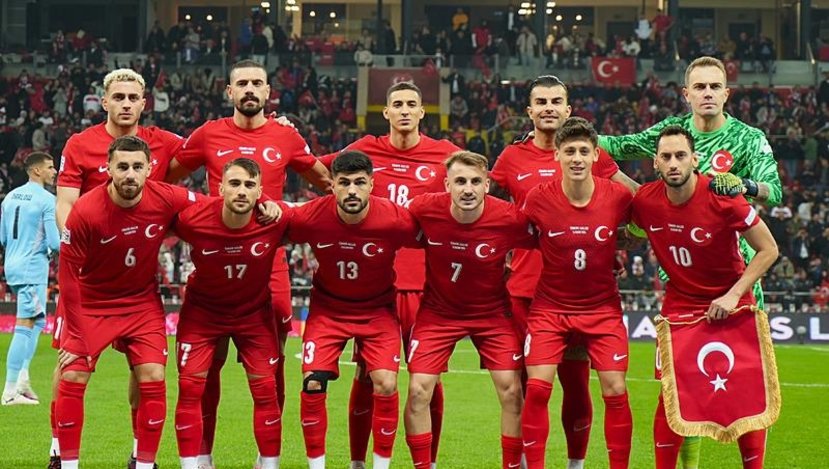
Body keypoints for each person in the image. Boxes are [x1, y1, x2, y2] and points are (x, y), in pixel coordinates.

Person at [598, 56, 783, 467]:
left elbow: (775, 191)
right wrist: (564, 130)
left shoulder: (748, 138)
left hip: (739, 276)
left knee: (746, 385)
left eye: (715, 87)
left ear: (726, 93)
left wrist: (745, 184)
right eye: (699, 87)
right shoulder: (669, 134)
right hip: (681, 282)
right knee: (682, 389)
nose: (707, 94)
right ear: (686, 94)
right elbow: (617, 146)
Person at [167, 59, 331, 469]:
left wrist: (285, 206)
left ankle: (266, 456)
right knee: (208, 365)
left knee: (272, 361)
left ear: (269, 91)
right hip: (216, 256)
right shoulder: (209, 133)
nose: (250, 89)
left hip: (268, 261)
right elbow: (165, 178)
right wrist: (202, 212)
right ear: (230, 91)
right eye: (242, 83)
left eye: (258, 83)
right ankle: (202, 455)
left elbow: (328, 183)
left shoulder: (286, 135)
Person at [491, 75, 638, 469]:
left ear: (568, 109)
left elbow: (636, 199)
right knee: (525, 385)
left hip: (585, 293)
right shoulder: (510, 158)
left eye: (556, 101)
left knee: (576, 384)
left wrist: (614, 242)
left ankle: (576, 463)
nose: (549, 108)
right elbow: (493, 214)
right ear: (529, 110)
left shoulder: (591, 154)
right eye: (541, 102)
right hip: (526, 291)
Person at [318, 81, 460, 469]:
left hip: (426, 285)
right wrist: (284, 132)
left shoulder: (446, 154)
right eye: (397, 104)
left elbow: (481, 182)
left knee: (428, 380)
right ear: (386, 112)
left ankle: (428, 463)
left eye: (412, 104)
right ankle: (358, 462)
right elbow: (314, 167)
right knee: (367, 376)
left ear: (422, 112)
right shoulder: (363, 149)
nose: (404, 110)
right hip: (374, 285)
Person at [52, 68, 185, 469]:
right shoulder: (80, 144)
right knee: (69, 365)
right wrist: (82, 246)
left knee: (146, 371)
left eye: (132, 97)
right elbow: (65, 203)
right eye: (118, 97)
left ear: (144, 103)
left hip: (137, 280)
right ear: (105, 101)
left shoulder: (163, 142)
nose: (126, 104)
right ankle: (58, 450)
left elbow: (212, 150)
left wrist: (273, 124)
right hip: (88, 276)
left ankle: (140, 454)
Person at [630, 125, 778, 469]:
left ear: (695, 159)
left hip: (732, 304)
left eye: (681, 155)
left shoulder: (721, 196)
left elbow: (769, 249)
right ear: (655, 162)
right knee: (672, 394)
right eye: (666, 157)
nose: (674, 163)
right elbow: (624, 226)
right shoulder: (645, 201)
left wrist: (733, 295)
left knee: (745, 396)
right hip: (680, 306)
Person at [287, 151, 419, 469]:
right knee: (313, 382)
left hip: (378, 311)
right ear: (332, 185)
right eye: (344, 183)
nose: (352, 190)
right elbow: (273, 226)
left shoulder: (395, 218)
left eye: (360, 182)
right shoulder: (311, 216)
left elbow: (438, 237)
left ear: (372, 184)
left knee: (386, 383)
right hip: (328, 311)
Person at [404, 151, 533, 468]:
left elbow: (554, 239)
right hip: (437, 314)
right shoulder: (423, 208)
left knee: (512, 392)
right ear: (447, 185)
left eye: (476, 181)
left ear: (487, 185)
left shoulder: (509, 217)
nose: (468, 189)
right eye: (460, 181)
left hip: (492, 316)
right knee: (418, 391)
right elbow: (384, 224)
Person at [520, 117, 634, 469]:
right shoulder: (538, 198)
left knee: (615, 389)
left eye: (584, 151)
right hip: (550, 309)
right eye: (569, 151)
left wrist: (621, 248)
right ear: (557, 155)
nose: (577, 158)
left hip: (602, 310)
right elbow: (511, 234)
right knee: (537, 388)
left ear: (596, 155)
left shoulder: (617, 196)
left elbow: (652, 218)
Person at [172, 158, 289, 469]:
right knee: (190, 387)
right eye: (234, 183)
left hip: (254, 315)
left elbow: (321, 221)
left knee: (266, 390)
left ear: (260, 192)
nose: (241, 191)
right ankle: (197, 463)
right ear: (220, 187)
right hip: (203, 314)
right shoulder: (192, 219)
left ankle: (269, 465)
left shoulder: (276, 220)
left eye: (250, 185)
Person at [1, 152, 59, 406]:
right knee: (25, 324)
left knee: (37, 321)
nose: (54, 171)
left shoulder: (10, 197)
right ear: (37, 171)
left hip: (13, 264)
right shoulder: (47, 200)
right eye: (50, 167)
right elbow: (55, 243)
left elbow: (3, 238)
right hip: (32, 267)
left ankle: (23, 379)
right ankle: (10, 391)